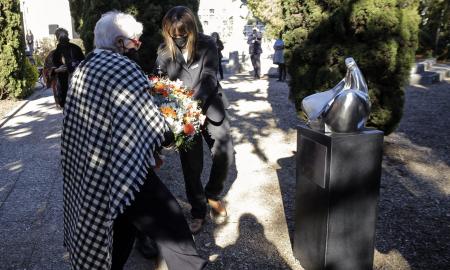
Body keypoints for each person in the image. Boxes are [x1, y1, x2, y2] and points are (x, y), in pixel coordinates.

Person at [61, 11, 207, 270]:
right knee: (171, 225)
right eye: (135, 41)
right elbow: (150, 124)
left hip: (94, 173)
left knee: (120, 225)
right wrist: (181, 126)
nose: (137, 46)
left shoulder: (84, 66)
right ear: (120, 43)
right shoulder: (123, 67)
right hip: (124, 172)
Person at [156, 6, 234, 234]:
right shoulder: (163, 52)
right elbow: (161, 85)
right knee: (191, 167)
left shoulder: (208, 44)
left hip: (210, 108)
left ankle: (212, 194)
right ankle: (198, 210)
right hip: (183, 118)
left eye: (183, 34)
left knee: (224, 153)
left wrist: (194, 105)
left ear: (191, 29)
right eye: (174, 35)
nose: (179, 38)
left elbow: (209, 77)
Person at [52, 28, 85, 108]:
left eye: (65, 35)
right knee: (66, 107)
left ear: (67, 35)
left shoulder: (76, 48)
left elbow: (84, 63)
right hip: (63, 85)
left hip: (78, 83)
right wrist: (57, 70)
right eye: (61, 36)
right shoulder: (54, 53)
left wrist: (77, 67)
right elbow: (47, 70)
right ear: (57, 38)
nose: (63, 37)